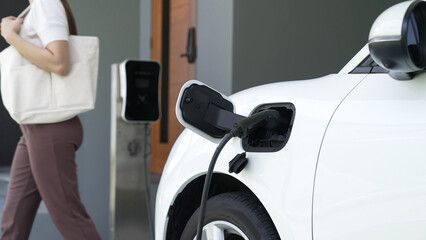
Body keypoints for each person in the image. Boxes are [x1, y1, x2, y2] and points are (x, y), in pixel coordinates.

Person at [0, 0, 101, 239]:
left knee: (71, 219)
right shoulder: (38, 7)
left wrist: (12, 37)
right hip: (34, 130)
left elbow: (59, 62)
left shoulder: (46, 3)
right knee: (13, 221)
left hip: (50, 129)